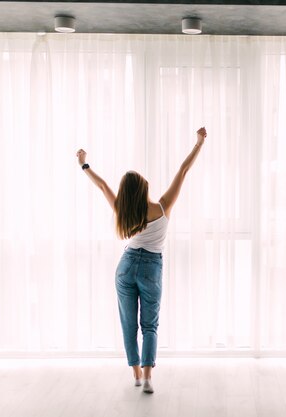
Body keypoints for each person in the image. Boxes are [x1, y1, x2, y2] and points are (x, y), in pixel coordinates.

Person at [76, 127, 207, 394]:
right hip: (151, 268)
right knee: (150, 324)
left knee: (128, 323)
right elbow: (183, 171)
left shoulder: (122, 211)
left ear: (126, 194)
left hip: (125, 268)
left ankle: (135, 374)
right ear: (144, 187)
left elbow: (102, 186)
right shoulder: (162, 207)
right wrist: (199, 143)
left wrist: (84, 164)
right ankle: (147, 377)